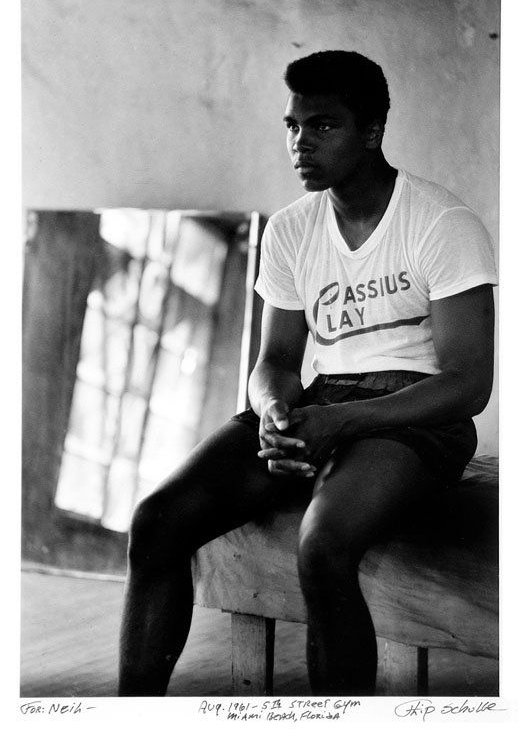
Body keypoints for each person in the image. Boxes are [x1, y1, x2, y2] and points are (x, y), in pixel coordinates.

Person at [118, 50, 497, 696]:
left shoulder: (441, 221)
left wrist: (343, 420)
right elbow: (274, 363)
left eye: (323, 126)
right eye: (292, 126)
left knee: (322, 546)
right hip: (324, 403)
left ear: (372, 131)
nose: (301, 143)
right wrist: (272, 410)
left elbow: (468, 384)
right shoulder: (291, 229)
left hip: (416, 415)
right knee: (157, 520)